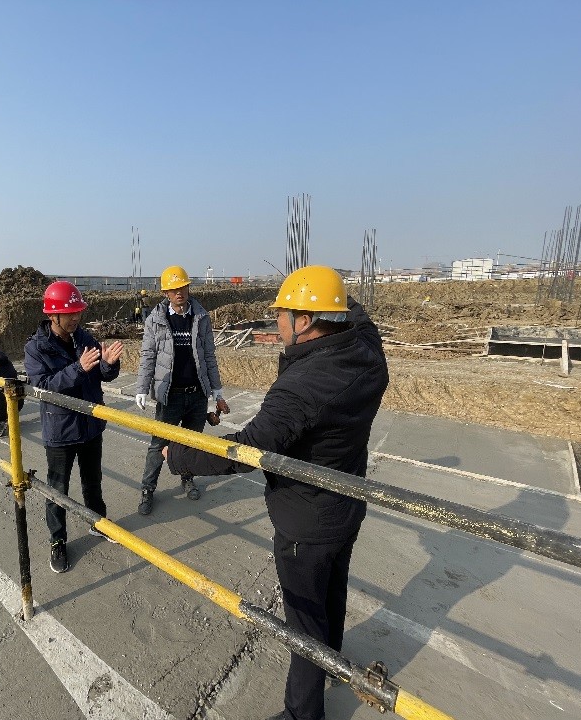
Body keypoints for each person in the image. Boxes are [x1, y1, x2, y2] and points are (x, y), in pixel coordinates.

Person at [163, 265, 389, 720]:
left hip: (305, 520)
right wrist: (330, 292)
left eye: (281, 315)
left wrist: (181, 455)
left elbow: (245, 450)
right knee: (333, 589)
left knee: (304, 620)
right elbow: (360, 316)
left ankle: (303, 713)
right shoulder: (366, 350)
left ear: (304, 321)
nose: (276, 322)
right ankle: (333, 661)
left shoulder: (302, 386)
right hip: (346, 504)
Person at [24, 280, 123, 573]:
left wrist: (108, 365)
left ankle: (97, 522)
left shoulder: (84, 338)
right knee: (58, 490)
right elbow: (43, 387)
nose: (76, 317)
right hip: (61, 432)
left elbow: (100, 375)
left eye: (78, 312)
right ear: (53, 315)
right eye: (70, 313)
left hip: (90, 426)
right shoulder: (36, 348)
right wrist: (78, 368)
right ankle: (57, 540)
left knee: (93, 481)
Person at [134, 265, 229, 515]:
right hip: (170, 395)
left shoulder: (200, 316)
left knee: (191, 443)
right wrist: (142, 388)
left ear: (188, 288)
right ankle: (147, 489)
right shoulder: (155, 319)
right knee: (158, 445)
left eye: (183, 287)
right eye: (174, 289)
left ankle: (187, 478)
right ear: (165, 292)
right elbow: (148, 356)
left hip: (196, 394)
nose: (180, 293)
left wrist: (217, 390)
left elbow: (209, 355)